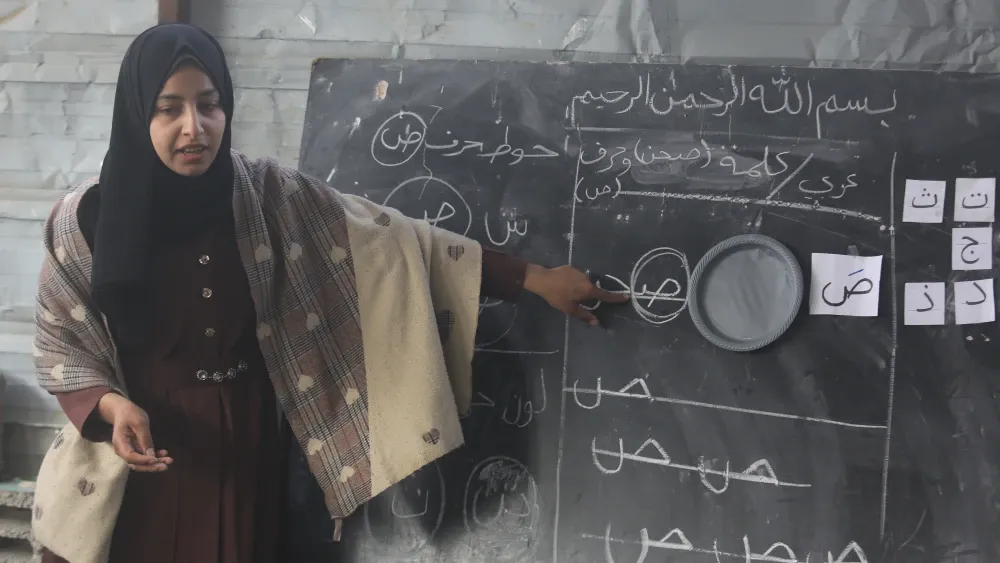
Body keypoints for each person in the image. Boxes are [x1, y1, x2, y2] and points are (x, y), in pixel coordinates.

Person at [30, 22, 626, 563]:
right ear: (138, 116)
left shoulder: (268, 197)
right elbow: (62, 336)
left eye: (209, 105)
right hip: (139, 447)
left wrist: (533, 279)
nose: (195, 127)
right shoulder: (86, 221)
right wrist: (110, 407)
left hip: (248, 444)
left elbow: (396, 243)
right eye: (169, 110)